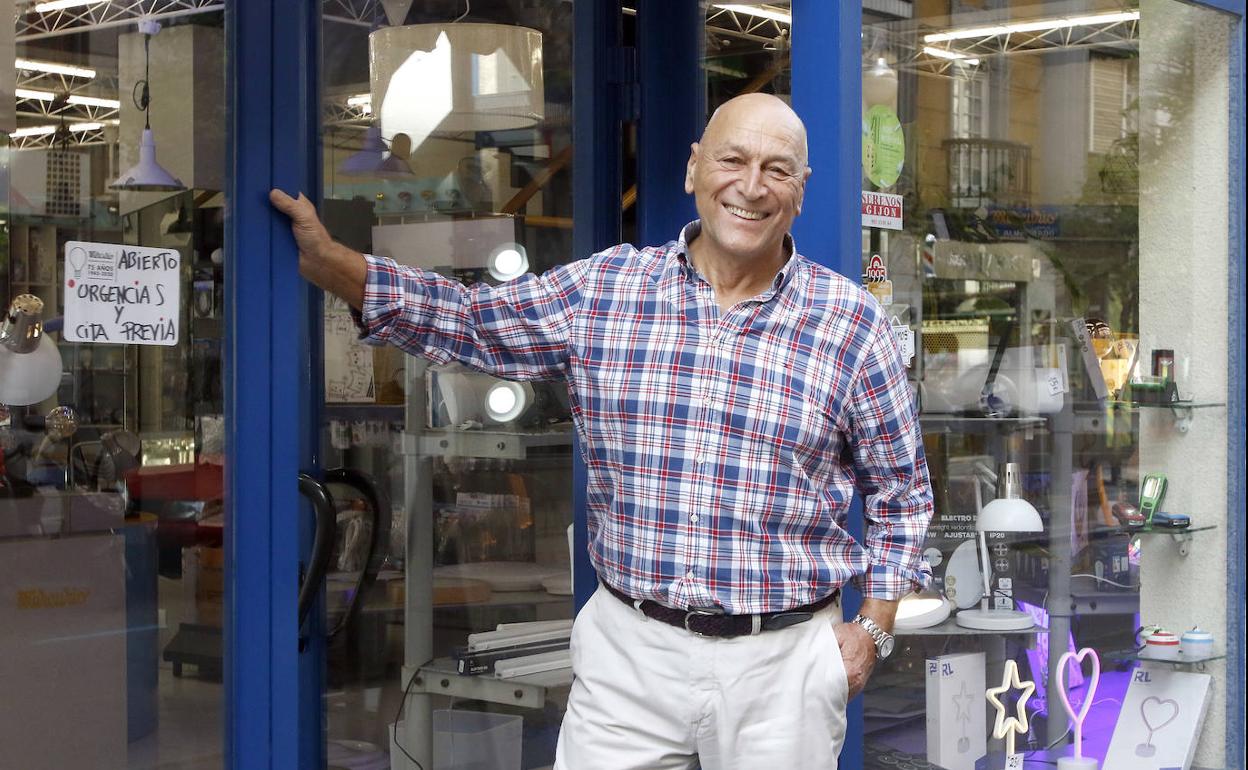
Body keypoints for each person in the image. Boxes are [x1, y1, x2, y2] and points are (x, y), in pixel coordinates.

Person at [271, 92, 933, 770]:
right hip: (631, 657)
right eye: (733, 160)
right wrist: (333, 265)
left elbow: (901, 493)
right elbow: (470, 320)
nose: (752, 186)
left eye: (776, 169)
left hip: (785, 664)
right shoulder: (608, 290)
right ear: (693, 168)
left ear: (801, 190)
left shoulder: (852, 325)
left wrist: (874, 628)